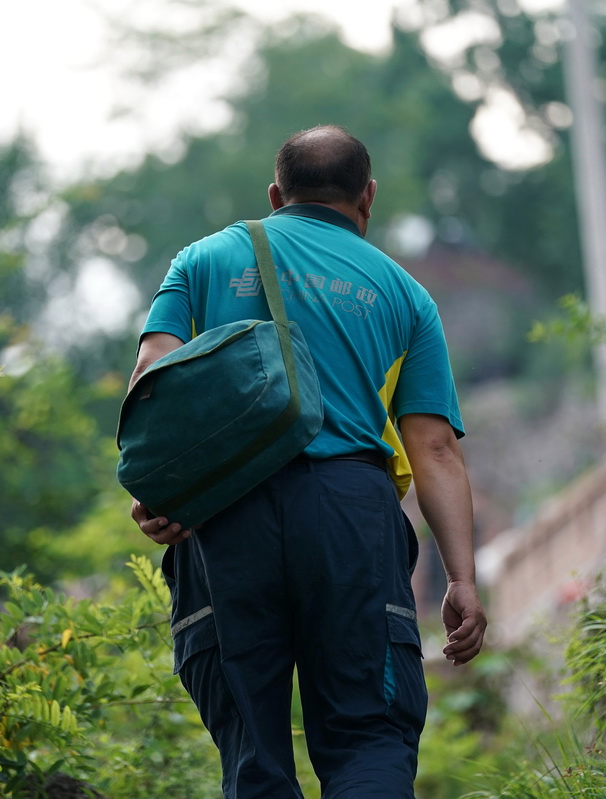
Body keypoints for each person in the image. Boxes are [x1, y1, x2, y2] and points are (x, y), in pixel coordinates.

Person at [127, 125, 486, 798]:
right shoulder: (405, 294)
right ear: (367, 197)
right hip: (350, 513)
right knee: (369, 737)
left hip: (228, 511)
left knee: (253, 751)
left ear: (275, 194)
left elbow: (152, 373)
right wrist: (462, 576)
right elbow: (433, 447)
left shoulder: (204, 259)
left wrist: (160, 489)